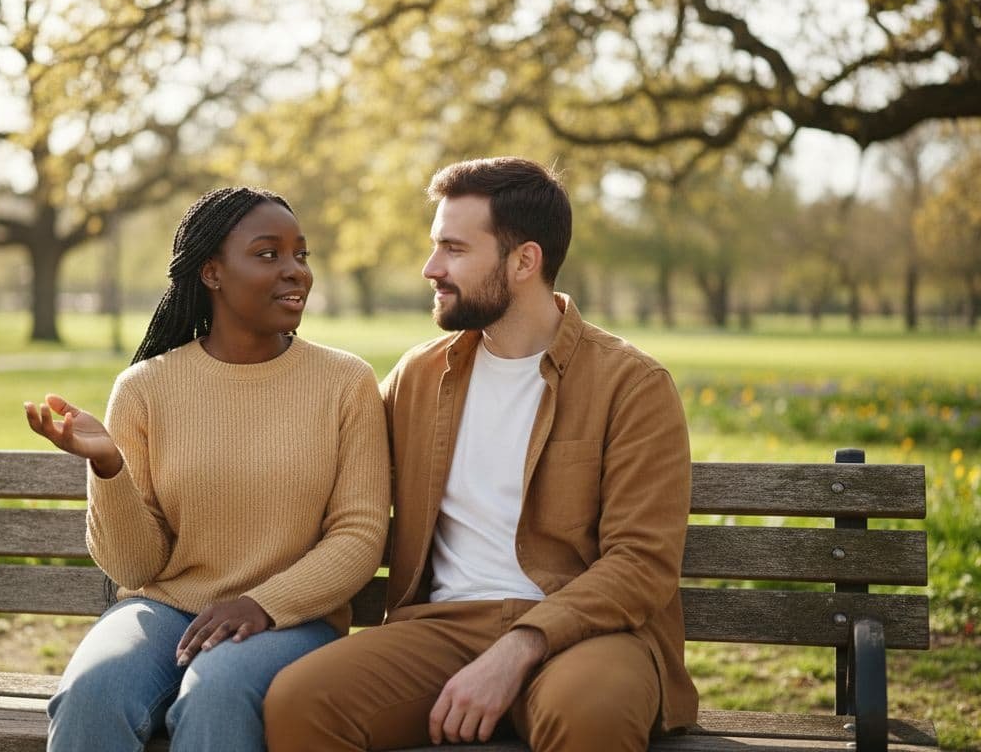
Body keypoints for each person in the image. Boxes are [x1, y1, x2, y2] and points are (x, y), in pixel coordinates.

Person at [264, 157, 697, 752]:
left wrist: (521, 645)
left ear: (524, 260)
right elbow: (319, 463)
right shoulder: (418, 376)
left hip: (589, 635)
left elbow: (641, 565)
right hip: (442, 629)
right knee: (301, 703)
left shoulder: (632, 384)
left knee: (590, 717)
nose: (430, 268)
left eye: (454, 249)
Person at [24, 187, 390, 752]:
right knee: (92, 690)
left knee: (216, 688)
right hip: (165, 611)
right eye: (269, 254)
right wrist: (108, 467)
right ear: (213, 272)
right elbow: (136, 564)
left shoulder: (345, 383)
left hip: (292, 620)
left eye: (301, 255)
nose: (295, 271)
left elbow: (359, 535)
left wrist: (262, 605)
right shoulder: (145, 388)